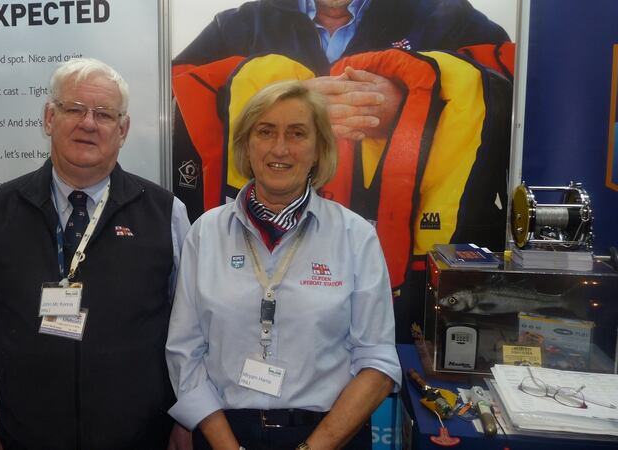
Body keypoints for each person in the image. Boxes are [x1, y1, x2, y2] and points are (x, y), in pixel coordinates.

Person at [171, 0, 513, 341]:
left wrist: (418, 101)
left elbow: (514, 98)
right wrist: (284, 101)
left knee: (381, 364)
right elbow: (174, 96)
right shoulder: (240, 25)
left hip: (411, 286)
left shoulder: (446, 17)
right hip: (263, 262)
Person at [0, 58, 191, 450]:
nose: (88, 123)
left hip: (141, 438)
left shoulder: (166, 214)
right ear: (49, 117)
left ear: (123, 129)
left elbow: (189, 331)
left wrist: (188, 417)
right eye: (74, 109)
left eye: (104, 114)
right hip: (25, 437)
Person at [166, 80, 400, 450]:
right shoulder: (205, 234)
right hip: (224, 432)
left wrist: (314, 448)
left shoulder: (355, 236)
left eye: (297, 133)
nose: (279, 148)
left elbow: (378, 361)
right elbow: (185, 351)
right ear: (246, 144)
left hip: (328, 435)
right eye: (265, 131)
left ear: (320, 149)